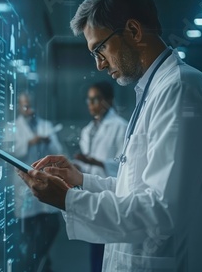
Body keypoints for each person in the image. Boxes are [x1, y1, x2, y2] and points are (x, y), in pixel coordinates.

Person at [16, 0, 202, 271]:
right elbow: (138, 189)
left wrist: (68, 199)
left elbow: (161, 210)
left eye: (100, 49)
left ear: (133, 31)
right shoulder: (156, 90)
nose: (99, 64)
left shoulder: (180, 89)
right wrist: (81, 179)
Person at [74, 81, 128, 272]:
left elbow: (125, 164)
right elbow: (84, 165)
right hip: (92, 193)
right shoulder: (87, 130)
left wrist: (96, 162)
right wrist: (74, 166)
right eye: (89, 100)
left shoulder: (121, 127)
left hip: (111, 194)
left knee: (109, 246)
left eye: (96, 99)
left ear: (109, 100)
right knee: (95, 244)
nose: (91, 104)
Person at [8, 92, 63, 272]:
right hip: (24, 188)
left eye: (30, 105)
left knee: (51, 226)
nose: (28, 109)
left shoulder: (45, 126)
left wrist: (46, 142)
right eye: (24, 105)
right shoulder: (12, 127)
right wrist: (31, 142)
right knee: (29, 236)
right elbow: (11, 152)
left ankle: (38, 264)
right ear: (18, 107)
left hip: (43, 185)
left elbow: (58, 151)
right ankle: (39, 266)